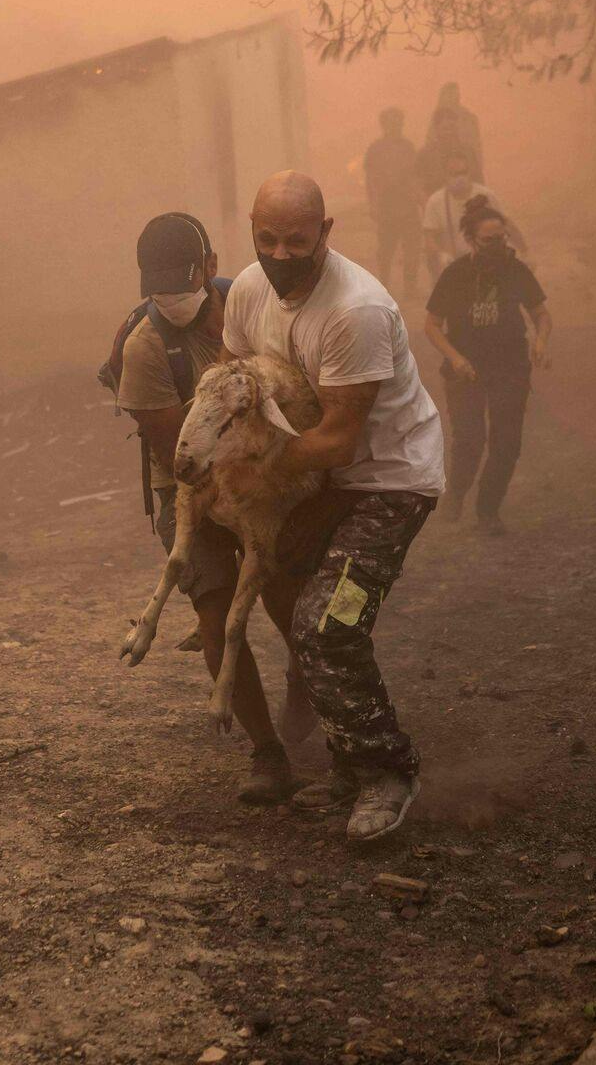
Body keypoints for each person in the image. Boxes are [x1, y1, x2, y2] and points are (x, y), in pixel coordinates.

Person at [224, 170, 445, 842]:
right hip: (319, 480)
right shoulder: (247, 291)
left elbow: (338, 440)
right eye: (268, 239)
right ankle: (349, 768)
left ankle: (389, 772)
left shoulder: (357, 310)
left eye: (298, 241)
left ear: (325, 231)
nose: (281, 255)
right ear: (252, 231)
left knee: (328, 624)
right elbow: (235, 388)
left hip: (389, 483)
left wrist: (253, 470)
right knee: (295, 605)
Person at [114, 213, 307, 804]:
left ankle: (307, 690)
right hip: (192, 488)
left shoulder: (251, 305)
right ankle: (267, 753)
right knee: (218, 610)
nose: (171, 300)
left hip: (265, 476)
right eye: (159, 290)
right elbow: (178, 454)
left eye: (182, 284)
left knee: (289, 598)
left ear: (211, 268)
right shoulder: (144, 349)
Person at [424, 199, 551, 534]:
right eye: (488, 240)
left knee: (507, 443)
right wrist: (455, 357)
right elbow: (432, 325)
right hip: (465, 370)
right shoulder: (456, 274)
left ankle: (488, 511)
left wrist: (540, 341)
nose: (497, 246)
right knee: (469, 440)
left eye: (501, 238)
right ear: (471, 240)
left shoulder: (516, 270)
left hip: (510, 367)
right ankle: (456, 492)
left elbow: (540, 313)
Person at [362, 106, 424, 298]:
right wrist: (373, 204)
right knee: (386, 250)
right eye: (391, 122)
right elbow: (370, 179)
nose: (396, 125)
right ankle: (383, 286)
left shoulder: (408, 147)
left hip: (408, 204)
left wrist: (420, 199)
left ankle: (410, 288)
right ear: (383, 124)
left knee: (412, 247)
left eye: (398, 122)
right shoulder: (375, 149)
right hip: (386, 205)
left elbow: (415, 175)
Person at [420, 151, 502, 279]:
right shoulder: (435, 202)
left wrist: (525, 251)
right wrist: (440, 254)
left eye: (463, 172)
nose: (460, 178)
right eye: (454, 174)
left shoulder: (487, 196)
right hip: (453, 267)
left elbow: (506, 226)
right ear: (445, 175)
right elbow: (429, 237)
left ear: (470, 172)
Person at [433, 81, 484, 181]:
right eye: (449, 94)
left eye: (454, 94)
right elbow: (430, 139)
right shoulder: (436, 118)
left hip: (466, 162)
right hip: (439, 166)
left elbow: (477, 144)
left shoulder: (469, 118)